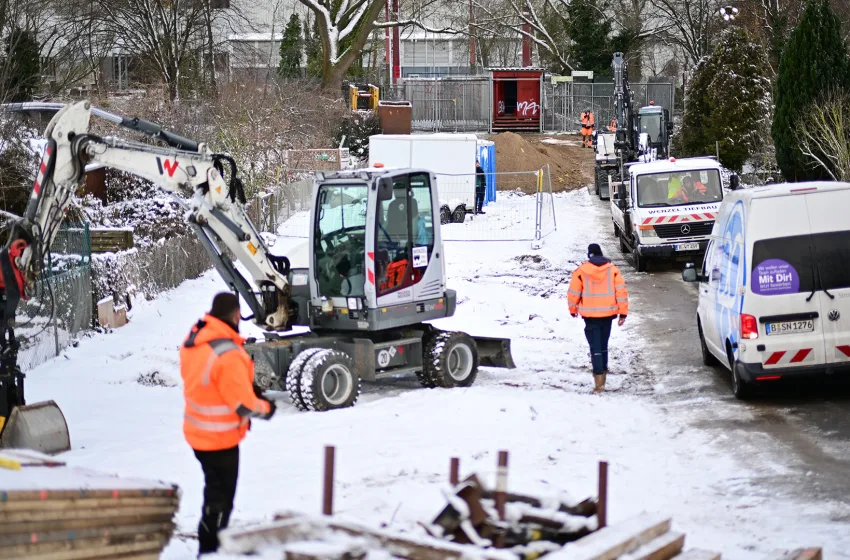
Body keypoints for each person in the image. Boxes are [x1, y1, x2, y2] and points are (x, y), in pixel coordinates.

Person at [180, 292, 276, 556]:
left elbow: (210, 381)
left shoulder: (196, 339)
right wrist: (267, 408)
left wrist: (244, 387)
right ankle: (210, 551)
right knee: (220, 501)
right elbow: (243, 405)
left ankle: (211, 548)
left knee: (215, 494)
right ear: (235, 316)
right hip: (218, 439)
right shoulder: (228, 353)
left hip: (197, 432)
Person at [567, 244, 629, 393]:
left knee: (595, 346)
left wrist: (573, 309)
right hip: (608, 314)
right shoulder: (613, 270)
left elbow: (573, 292)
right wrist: (623, 313)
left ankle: (599, 382)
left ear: (590, 255)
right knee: (603, 344)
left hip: (590, 316)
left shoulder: (581, 271)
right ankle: (603, 374)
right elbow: (621, 292)